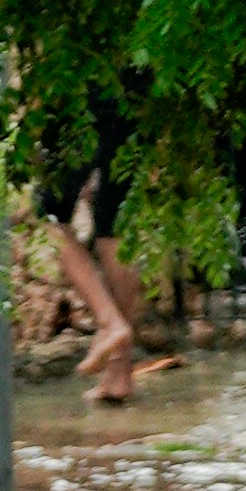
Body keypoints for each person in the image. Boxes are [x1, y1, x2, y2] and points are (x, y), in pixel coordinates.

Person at [38, 109, 171, 407]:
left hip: (79, 88)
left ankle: (110, 323)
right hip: (138, 88)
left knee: (47, 220)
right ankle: (119, 374)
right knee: (114, 226)